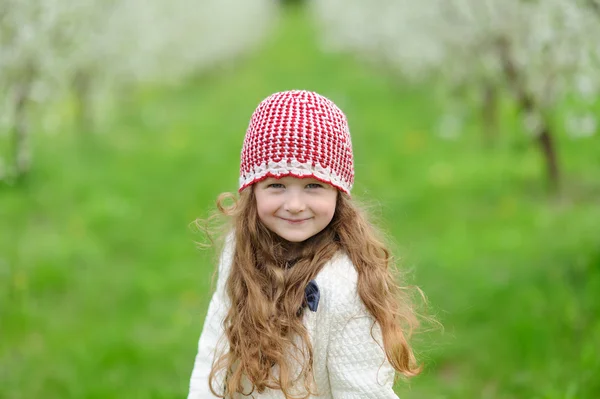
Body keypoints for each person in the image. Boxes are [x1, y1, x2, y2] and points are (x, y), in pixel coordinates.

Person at [187, 90, 423, 398]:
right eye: (277, 185)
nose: (295, 204)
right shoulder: (239, 250)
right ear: (253, 190)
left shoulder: (346, 286)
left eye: (313, 186)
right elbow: (215, 342)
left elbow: (362, 391)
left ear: (338, 193)